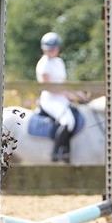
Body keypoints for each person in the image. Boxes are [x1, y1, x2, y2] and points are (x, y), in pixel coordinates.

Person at [36, 32, 77, 162]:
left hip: (61, 98)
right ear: (44, 49)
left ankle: (66, 149)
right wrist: (67, 94)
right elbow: (48, 87)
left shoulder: (59, 62)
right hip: (49, 99)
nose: (52, 51)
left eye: (54, 48)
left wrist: (76, 92)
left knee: (76, 114)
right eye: (49, 48)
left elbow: (63, 82)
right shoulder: (43, 64)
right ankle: (56, 152)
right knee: (68, 121)